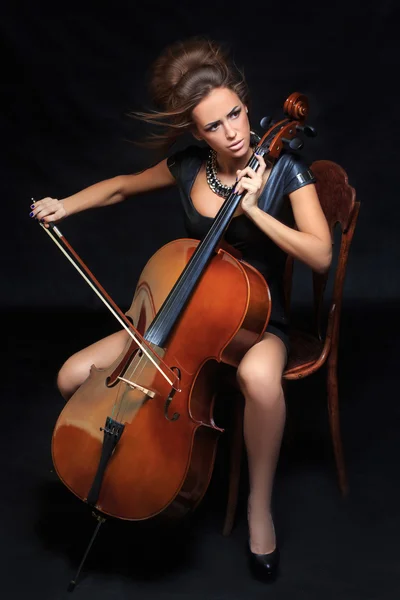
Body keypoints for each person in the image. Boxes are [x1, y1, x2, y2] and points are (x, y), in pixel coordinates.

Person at [29, 37, 332, 581]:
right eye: (215, 125)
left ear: (244, 102)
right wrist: (64, 205)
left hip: (252, 320)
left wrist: (257, 209)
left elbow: (321, 253)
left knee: (263, 382)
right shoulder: (190, 165)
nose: (234, 131)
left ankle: (258, 508)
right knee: (72, 376)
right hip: (175, 316)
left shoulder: (287, 168)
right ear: (197, 133)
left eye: (236, 114)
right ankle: (127, 475)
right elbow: (122, 187)